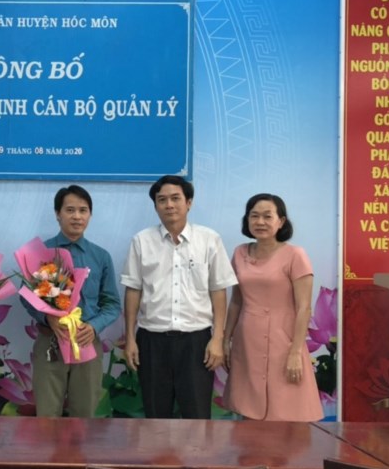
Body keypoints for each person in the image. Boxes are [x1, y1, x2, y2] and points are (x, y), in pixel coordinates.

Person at [121, 175, 238, 419]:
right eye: (162, 200)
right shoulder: (141, 241)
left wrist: (218, 338)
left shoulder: (209, 240)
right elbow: (133, 290)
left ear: (189, 203)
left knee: (197, 417)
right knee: (155, 417)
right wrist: (130, 338)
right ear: (155, 206)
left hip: (196, 342)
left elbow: (218, 290)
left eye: (176, 198)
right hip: (152, 341)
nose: (169, 205)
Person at [223, 194, 323, 421]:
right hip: (247, 340)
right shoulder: (239, 253)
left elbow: (304, 307)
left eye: (267, 216)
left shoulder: (295, 255)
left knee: (287, 411)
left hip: (284, 340)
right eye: (254, 216)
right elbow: (236, 301)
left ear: (281, 221)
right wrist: (225, 339)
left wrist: (296, 351)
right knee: (249, 409)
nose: (260, 222)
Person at [26, 185, 121, 417]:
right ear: (57, 214)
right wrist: (47, 318)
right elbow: (27, 298)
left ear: (90, 215)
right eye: (70, 210)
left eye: (83, 210)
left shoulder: (100, 256)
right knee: (47, 417)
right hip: (50, 341)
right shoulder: (41, 252)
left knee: (84, 418)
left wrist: (94, 326)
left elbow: (112, 304)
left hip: (86, 341)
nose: (77, 216)